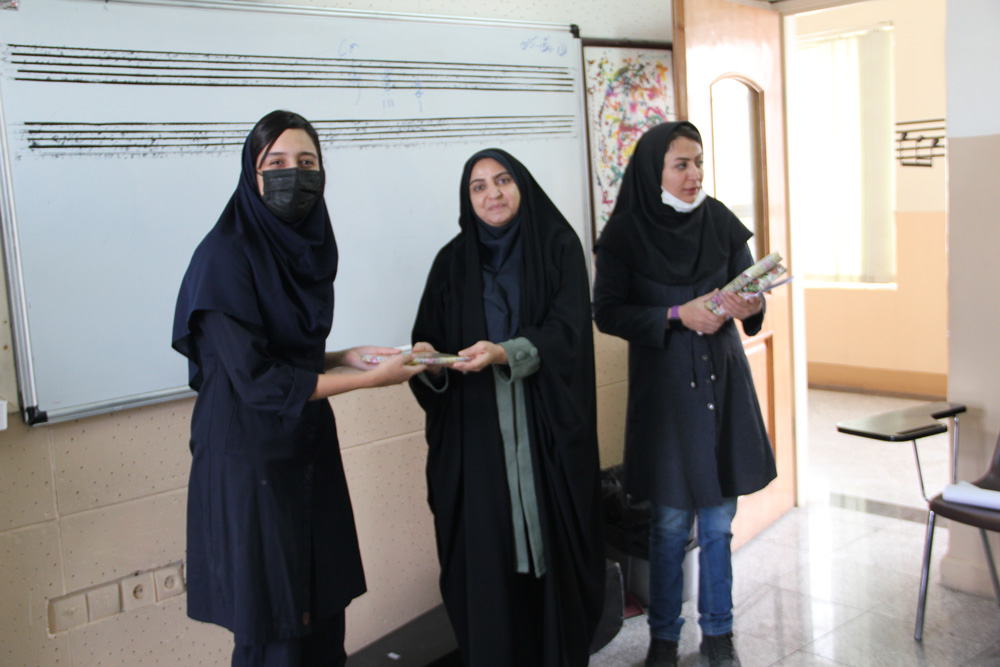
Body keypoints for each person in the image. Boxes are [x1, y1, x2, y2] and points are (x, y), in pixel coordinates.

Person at [172, 110, 424, 667]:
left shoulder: (301, 248)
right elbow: (256, 379)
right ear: (252, 173)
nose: (295, 174)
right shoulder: (223, 257)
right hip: (250, 463)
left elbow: (283, 351)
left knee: (322, 611)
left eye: (307, 162)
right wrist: (368, 381)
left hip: (304, 446)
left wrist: (347, 357)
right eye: (278, 162)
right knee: (275, 627)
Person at [409, 149, 605, 666]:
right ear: (467, 198)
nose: (492, 194)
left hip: (545, 435)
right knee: (488, 565)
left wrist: (506, 352)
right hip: (477, 443)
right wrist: (429, 363)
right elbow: (429, 341)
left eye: (502, 181)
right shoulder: (451, 262)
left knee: (553, 564)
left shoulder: (558, 246)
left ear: (522, 185)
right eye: (478, 187)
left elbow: (568, 332)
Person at [592, 121, 777, 667]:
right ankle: (664, 639)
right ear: (656, 171)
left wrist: (751, 305)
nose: (694, 174)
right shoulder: (625, 233)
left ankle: (718, 633)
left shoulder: (719, 221)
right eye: (681, 164)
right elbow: (608, 313)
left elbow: (752, 299)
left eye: (698, 162)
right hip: (666, 396)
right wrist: (676, 313)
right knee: (670, 526)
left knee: (718, 524)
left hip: (722, 386)